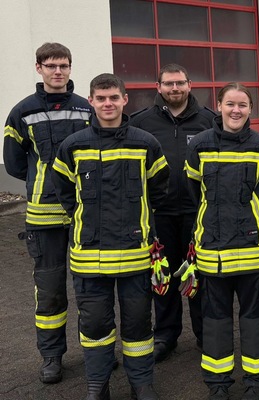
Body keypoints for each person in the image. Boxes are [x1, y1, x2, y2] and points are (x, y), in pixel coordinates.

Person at [52, 73, 169, 400]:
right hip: (89, 257)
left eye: (113, 98)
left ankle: (141, 383)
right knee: (94, 327)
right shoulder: (73, 145)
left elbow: (158, 189)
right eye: (101, 98)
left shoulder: (145, 143)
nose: (108, 104)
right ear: (91, 101)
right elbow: (64, 190)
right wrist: (85, 218)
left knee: (138, 325)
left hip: (135, 255)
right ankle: (97, 384)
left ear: (124, 100)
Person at [184, 83, 259, 400]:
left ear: (251, 109)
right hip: (212, 252)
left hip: (254, 252)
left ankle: (258, 381)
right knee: (215, 321)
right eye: (230, 104)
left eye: (242, 104)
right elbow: (194, 192)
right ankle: (218, 383)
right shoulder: (200, 145)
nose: (236, 110)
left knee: (255, 320)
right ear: (219, 105)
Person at [2, 42, 92, 384]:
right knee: (50, 290)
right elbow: (14, 163)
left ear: (70, 68)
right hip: (43, 216)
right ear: (38, 68)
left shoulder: (86, 108)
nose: (58, 71)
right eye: (51, 65)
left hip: (84, 213)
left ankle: (94, 353)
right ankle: (52, 357)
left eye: (63, 65)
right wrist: (43, 181)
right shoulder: (22, 111)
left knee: (90, 289)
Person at [129, 63, 215, 362]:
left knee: (198, 274)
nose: (174, 88)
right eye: (168, 83)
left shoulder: (209, 121)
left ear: (190, 85)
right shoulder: (140, 123)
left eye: (180, 83)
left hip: (197, 213)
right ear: (159, 87)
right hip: (159, 213)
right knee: (162, 275)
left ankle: (206, 334)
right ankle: (166, 335)